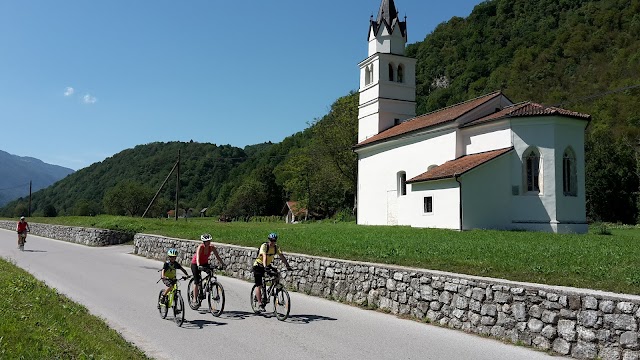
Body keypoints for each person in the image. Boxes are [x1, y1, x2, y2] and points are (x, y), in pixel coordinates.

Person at [253, 232, 292, 311]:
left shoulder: (276, 248)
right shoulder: (264, 246)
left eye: (274, 241)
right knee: (259, 285)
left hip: (267, 264)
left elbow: (282, 257)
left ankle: (271, 288)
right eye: (271, 240)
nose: (272, 242)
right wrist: (265, 267)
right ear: (269, 240)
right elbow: (264, 256)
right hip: (259, 265)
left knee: (276, 274)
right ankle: (260, 303)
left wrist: (288, 266)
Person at [191, 233, 225, 304]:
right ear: (204, 242)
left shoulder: (211, 247)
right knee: (197, 281)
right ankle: (194, 298)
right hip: (195, 264)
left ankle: (206, 284)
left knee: (210, 273)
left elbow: (217, 256)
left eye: (209, 241)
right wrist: (198, 265)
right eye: (207, 241)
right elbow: (197, 256)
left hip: (205, 263)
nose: (209, 242)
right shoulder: (201, 247)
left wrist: (223, 264)